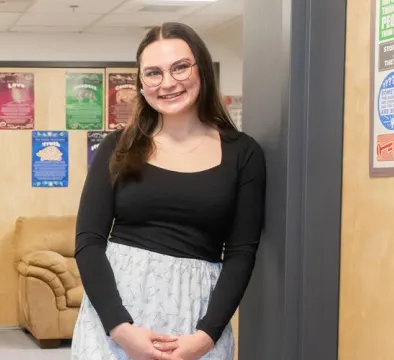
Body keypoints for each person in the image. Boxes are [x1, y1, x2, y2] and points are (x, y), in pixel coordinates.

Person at [71, 22, 265, 360]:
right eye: (154, 73)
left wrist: (206, 336)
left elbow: (241, 254)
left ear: (201, 69)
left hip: (196, 322)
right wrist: (120, 328)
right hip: (117, 317)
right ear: (141, 83)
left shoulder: (243, 153)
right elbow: (88, 242)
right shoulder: (118, 147)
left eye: (180, 67)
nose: (168, 83)